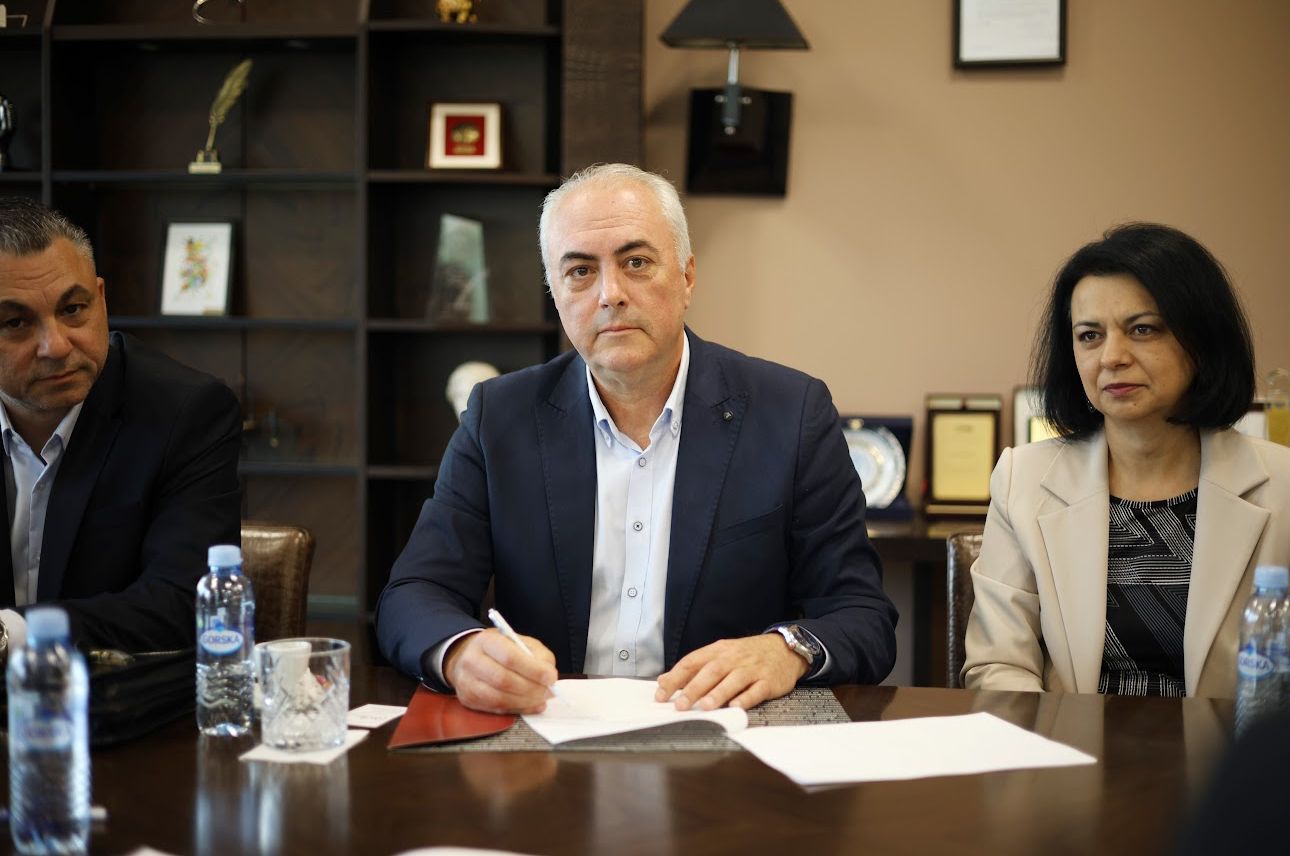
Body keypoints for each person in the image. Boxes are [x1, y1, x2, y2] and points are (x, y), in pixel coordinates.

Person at [377, 164, 897, 714]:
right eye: (580, 271)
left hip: (720, 730)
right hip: (550, 732)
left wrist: (785, 650)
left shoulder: (791, 414)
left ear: (687, 277)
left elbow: (862, 615)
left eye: (637, 263)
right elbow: (414, 594)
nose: (610, 294)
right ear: (556, 294)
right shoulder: (498, 417)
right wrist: (462, 653)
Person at [962, 223, 1290, 697]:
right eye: (1089, 336)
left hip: (1235, 745)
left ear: (1202, 340)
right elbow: (999, 665)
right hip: (1065, 741)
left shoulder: (1281, 483)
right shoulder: (1023, 480)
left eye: (1142, 329)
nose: (1112, 357)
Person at [0, 197, 241, 655]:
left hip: (116, 692)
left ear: (102, 298)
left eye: (73, 309)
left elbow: (183, 604)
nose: (56, 346)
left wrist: (9, 633)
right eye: (16, 322)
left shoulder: (185, 412)